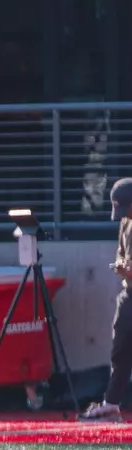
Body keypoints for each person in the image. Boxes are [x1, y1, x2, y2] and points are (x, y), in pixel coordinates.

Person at [83, 178, 132, 420]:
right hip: (129, 292)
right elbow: (121, 253)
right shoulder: (124, 223)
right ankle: (112, 403)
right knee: (120, 348)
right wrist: (122, 267)